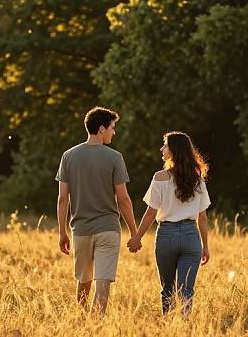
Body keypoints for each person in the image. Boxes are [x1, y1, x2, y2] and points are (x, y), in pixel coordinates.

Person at [56, 106, 139, 314]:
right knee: (103, 282)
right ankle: (96, 324)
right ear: (101, 128)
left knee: (84, 281)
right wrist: (134, 232)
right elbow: (124, 199)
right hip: (108, 229)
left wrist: (62, 232)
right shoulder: (114, 157)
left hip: (80, 230)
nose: (114, 132)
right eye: (112, 127)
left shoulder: (68, 156)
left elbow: (62, 198)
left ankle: (81, 321)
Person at [127, 131, 210, 316]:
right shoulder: (197, 179)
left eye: (165, 145)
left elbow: (151, 212)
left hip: (166, 236)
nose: (162, 149)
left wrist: (137, 238)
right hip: (191, 236)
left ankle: (168, 328)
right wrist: (205, 246)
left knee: (167, 290)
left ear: (173, 150)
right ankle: (184, 327)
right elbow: (202, 217)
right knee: (186, 291)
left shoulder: (160, 178)